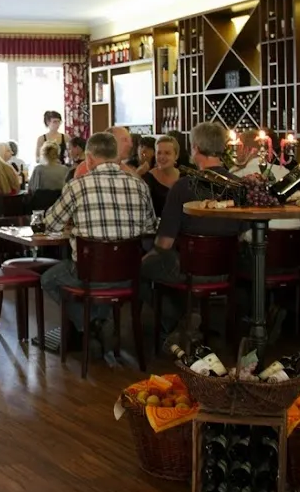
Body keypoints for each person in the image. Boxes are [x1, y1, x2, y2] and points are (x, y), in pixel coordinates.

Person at [40, 132, 156, 352]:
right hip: (129, 275)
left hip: (89, 275)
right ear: (116, 156)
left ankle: (92, 323)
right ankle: (101, 324)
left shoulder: (77, 186)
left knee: (48, 279)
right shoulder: (139, 185)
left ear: (89, 158)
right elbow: (149, 228)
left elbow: (51, 225)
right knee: (97, 276)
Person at [140, 122, 242, 350]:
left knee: (138, 269)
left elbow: (164, 243)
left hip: (188, 270)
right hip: (227, 270)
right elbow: (244, 235)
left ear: (195, 148)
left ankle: (179, 321)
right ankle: (193, 318)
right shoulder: (238, 186)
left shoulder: (183, 187)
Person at [143, 135, 180, 217]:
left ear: (176, 155)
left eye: (167, 153)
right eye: (159, 153)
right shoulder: (148, 179)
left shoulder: (185, 177)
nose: (162, 157)